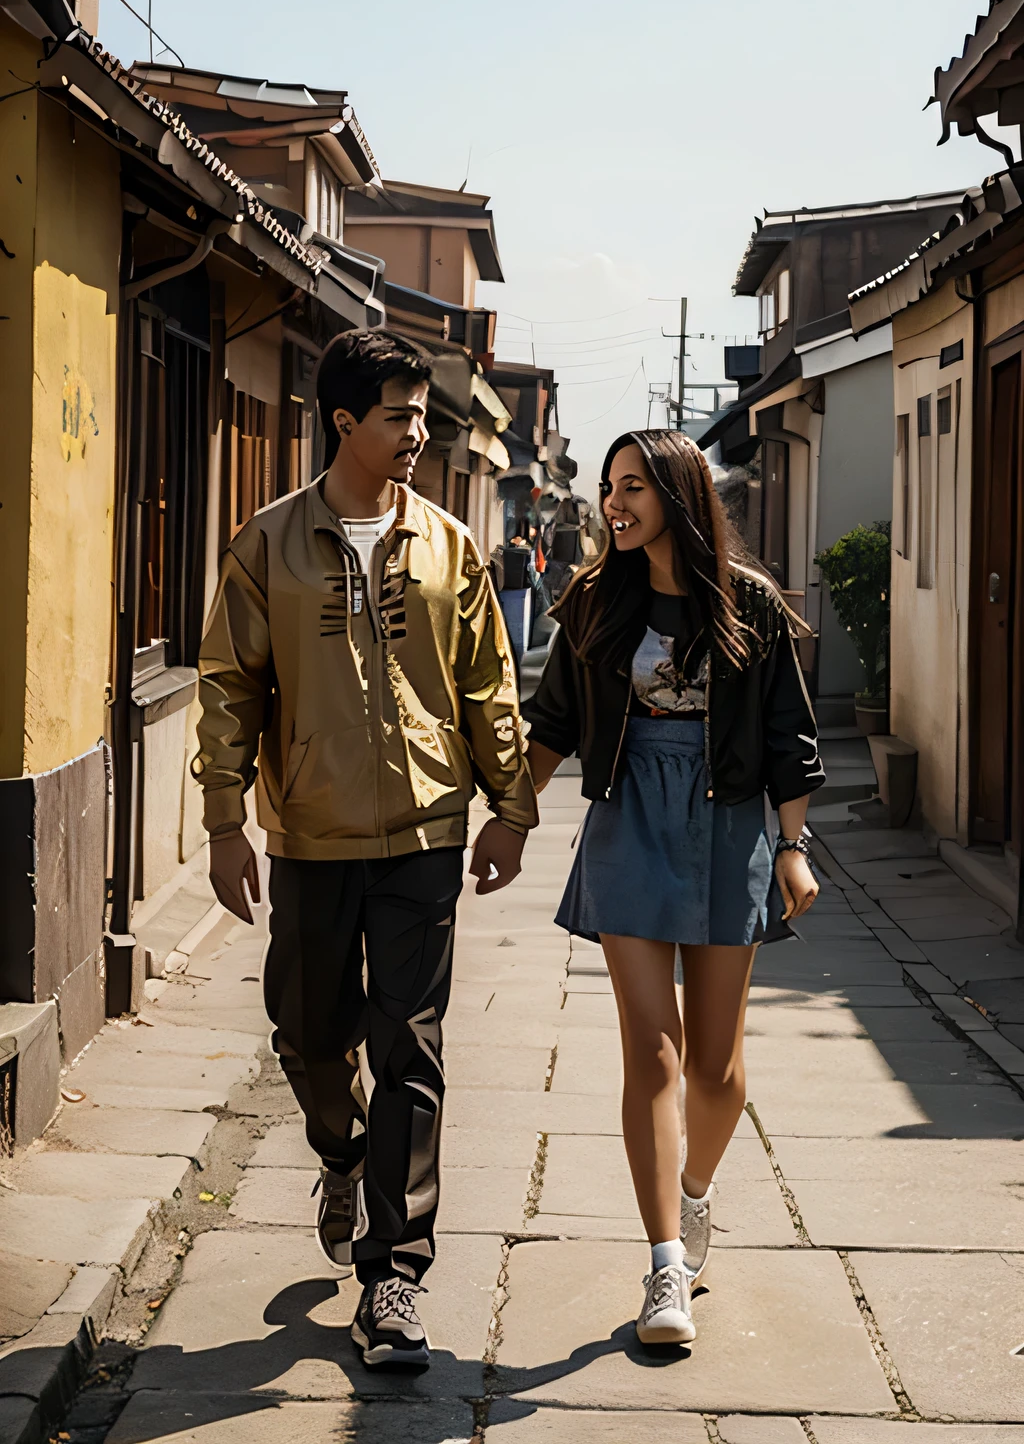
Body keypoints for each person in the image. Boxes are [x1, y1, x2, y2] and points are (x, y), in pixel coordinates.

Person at [193, 329, 537, 1370]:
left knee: (410, 1046)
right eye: (399, 416)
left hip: (425, 828)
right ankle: (339, 1152)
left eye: (423, 416)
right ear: (344, 422)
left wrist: (510, 806)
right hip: (307, 827)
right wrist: (222, 820)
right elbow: (227, 685)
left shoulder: (448, 546)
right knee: (306, 1029)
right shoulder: (267, 543)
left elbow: (488, 679)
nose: (418, 434)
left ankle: (394, 1276)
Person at [522, 430, 824, 1347]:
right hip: (630, 823)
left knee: (715, 1068)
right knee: (651, 1053)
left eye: (633, 489)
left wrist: (793, 847)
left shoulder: (753, 608)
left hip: (729, 820)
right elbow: (556, 724)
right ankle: (663, 1268)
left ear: (678, 497)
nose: (614, 504)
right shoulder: (593, 602)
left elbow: (789, 738)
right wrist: (504, 813)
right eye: (610, 488)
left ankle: (696, 1194)